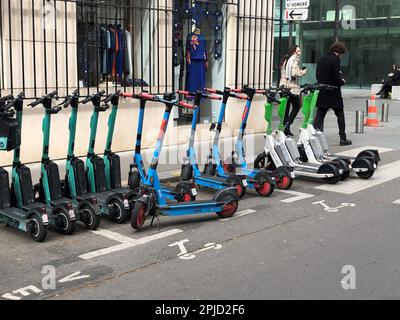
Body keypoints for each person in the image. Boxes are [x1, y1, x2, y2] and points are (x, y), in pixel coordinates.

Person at [313, 41, 352, 146]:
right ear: (340, 51)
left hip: (322, 90)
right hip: (333, 91)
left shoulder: (321, 58)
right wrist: (342, 81)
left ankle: (312, 137)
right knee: (340, 114)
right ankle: (343, 138)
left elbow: (317, 75)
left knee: (320, 115)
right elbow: (336, 77)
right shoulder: (335, 59)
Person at [279, 45, 307, 136]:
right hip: (291, 88)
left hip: (282, 87)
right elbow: (294, 73)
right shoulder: (294, 59)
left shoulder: (284, 60)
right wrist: (302, 72)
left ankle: (285, 129)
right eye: (298, 51)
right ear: (294, 52)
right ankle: (287, 125)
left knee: (286, 109)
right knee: (297, 106)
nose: (300, 53)